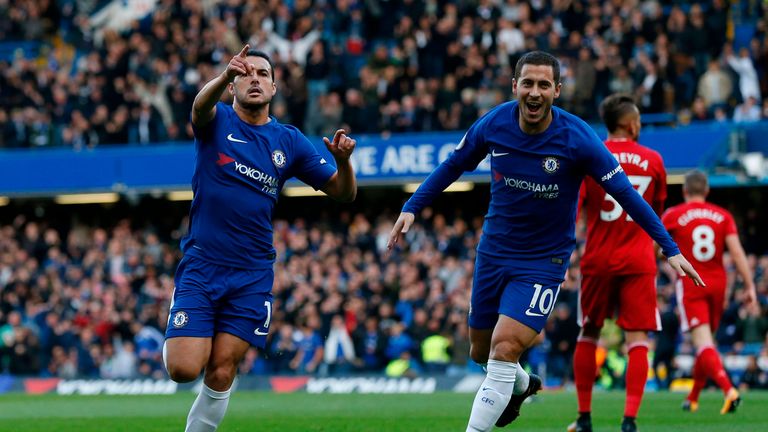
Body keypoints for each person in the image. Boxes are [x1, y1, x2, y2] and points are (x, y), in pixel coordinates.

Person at [386, 51, 703, 432]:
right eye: (528, 83)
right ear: (515, 85)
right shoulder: (494, 124)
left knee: (504, 349)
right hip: (494, 253)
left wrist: (669, 247)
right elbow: (454, 164)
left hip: (542, 262)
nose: (534, 92)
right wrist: (413, 205)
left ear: (557, 90)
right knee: (481, 353)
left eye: (543, 85)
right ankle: (523, 384)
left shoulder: (577, 138)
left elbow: (626, 194)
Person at [163, 45, 357, 432]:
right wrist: (221, 76)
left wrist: (343, 162)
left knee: (221, 371)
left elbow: (344, 193)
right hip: (203, 265)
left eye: (263, 74)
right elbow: (198, 109)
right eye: (246, 73)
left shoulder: (289, 140)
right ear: (233, 86)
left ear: (274, 86)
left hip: (251, 274)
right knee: (184, 369)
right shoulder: (215, 122)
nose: (254, 79)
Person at [569, 94, 668, 432]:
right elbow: (656, 212)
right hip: (639, 259)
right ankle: (629, 420)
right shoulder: (653, 160)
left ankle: (584, 417)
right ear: (631, 123)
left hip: (598, 258)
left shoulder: (591, 156)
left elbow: (576, 210)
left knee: (589, 331)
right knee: (637, 338)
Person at [662, 170, 757, 415]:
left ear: (685, 191)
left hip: (691, 282)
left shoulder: (673, 214)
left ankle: (729, 390)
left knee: (702, 343)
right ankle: (693, 397)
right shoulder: (723, 216)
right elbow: (736, 253)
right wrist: (749, 286)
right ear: (706, 190)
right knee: (707, 344)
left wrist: (665, 268)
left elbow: (653, 247)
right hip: (718, 284)